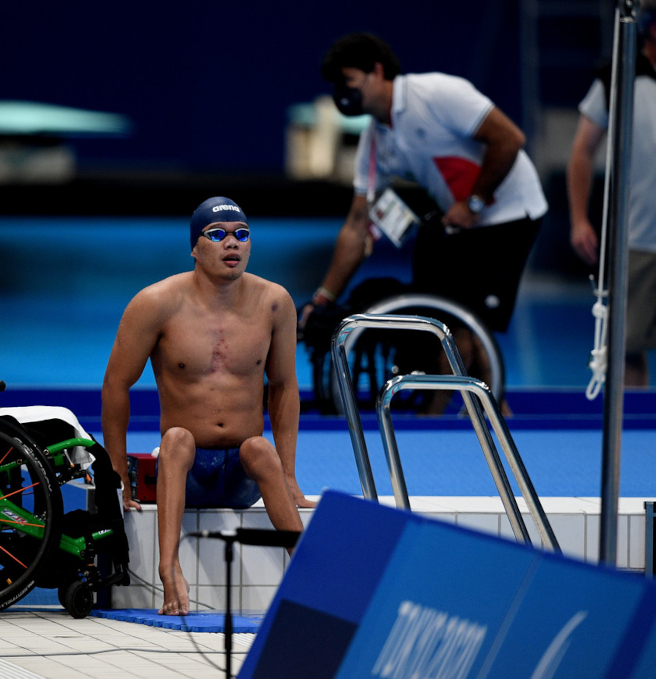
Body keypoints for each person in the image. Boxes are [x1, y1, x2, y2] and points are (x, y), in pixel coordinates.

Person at [101, 197, 315, 616]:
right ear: (195, 248)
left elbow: (286, 387)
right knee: (177, 440)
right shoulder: (156, 302)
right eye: (217, 235)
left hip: (243, 474)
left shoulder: (275, 302)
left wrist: (289, 475)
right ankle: (169, 570)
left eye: (241, 234)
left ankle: (307, 573)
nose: (231, 243)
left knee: (260, 448)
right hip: (188, 468)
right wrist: (114, 472)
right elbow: (115, 385)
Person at [300, 33, 548, 342]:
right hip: (464, 222)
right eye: (336, 86)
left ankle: (453, 391)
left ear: (377, 72)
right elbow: (356, 225)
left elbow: (510, 139)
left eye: (347, 81)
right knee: (445, 320)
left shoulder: (436, 94)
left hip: (510, 212)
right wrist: (323, 298)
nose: (341, 93)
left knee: (461, 324)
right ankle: (481, 390)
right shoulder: (374, 142)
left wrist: (475, 203)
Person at [568, 3, 656, 386]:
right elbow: (581, 152)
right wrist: (578, 219)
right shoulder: (617, 79)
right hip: (637, 239)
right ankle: (632, 435)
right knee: (626, 347)